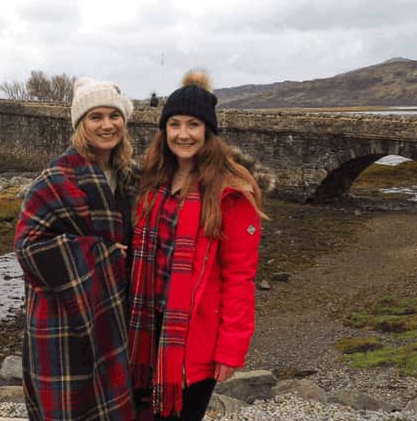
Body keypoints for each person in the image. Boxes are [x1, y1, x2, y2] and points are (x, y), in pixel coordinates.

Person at [127, 70, 268, 421]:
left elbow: (239, 277)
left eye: (193, 124)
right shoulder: (151, 180)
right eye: (174, 124)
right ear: (165, 131)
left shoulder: (232, 192)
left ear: (208, 131)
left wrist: (230, 350)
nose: (183, 134)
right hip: (142, 330)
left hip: (195, 339)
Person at [15, 77, 138, 421]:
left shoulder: (128, 176)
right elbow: (28, 247)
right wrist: (103, 255)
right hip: (62, 319)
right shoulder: (55, 178)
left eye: (114, 116)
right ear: (80, 124)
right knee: (71, 407)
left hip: (112, 314)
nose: (106, 125)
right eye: (95, 117)